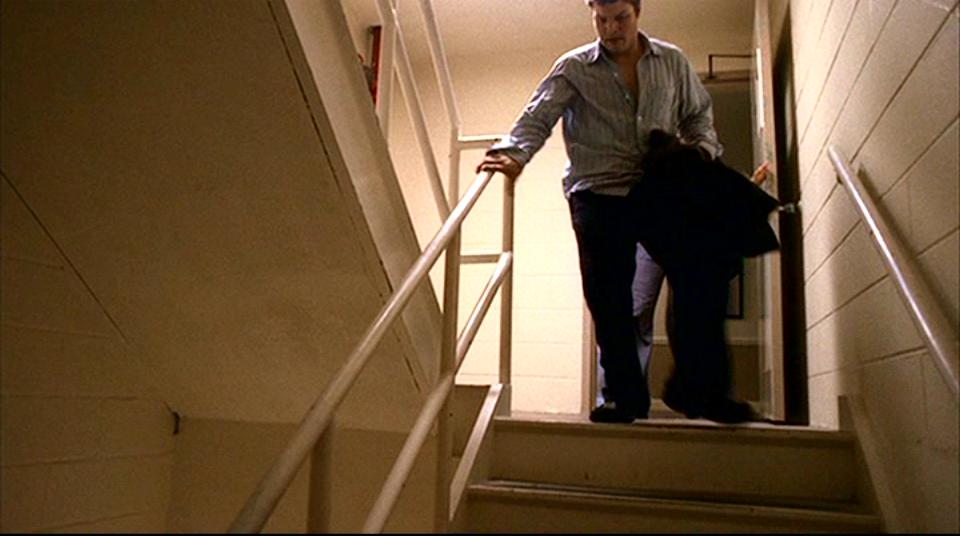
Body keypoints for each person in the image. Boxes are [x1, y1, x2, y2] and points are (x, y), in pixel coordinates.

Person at [478, 0, 762, 424]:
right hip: (597, 193)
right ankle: (624, 398)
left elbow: (698, 115)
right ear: (592, 14)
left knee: (705, 270)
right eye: (602, 19)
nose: (611, 29)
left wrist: (701, 151)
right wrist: (515, 154)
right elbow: (539, 115)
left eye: (621, 18)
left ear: (637, 12)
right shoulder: (574, 67)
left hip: (659, 188)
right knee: (610, 298)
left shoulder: (672, 61)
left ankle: (699, 389)